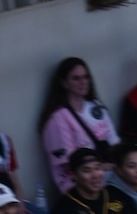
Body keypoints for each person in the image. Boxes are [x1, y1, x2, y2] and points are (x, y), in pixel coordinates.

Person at [39, 57, 117, 192]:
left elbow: (114, 142)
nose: (83, 82)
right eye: (76, 78)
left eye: (85, 77)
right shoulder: (57, 119)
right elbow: (69, 165)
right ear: (64, 83)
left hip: (106, 170)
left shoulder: (96, 106)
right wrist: (106, 167)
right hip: (79, 183)